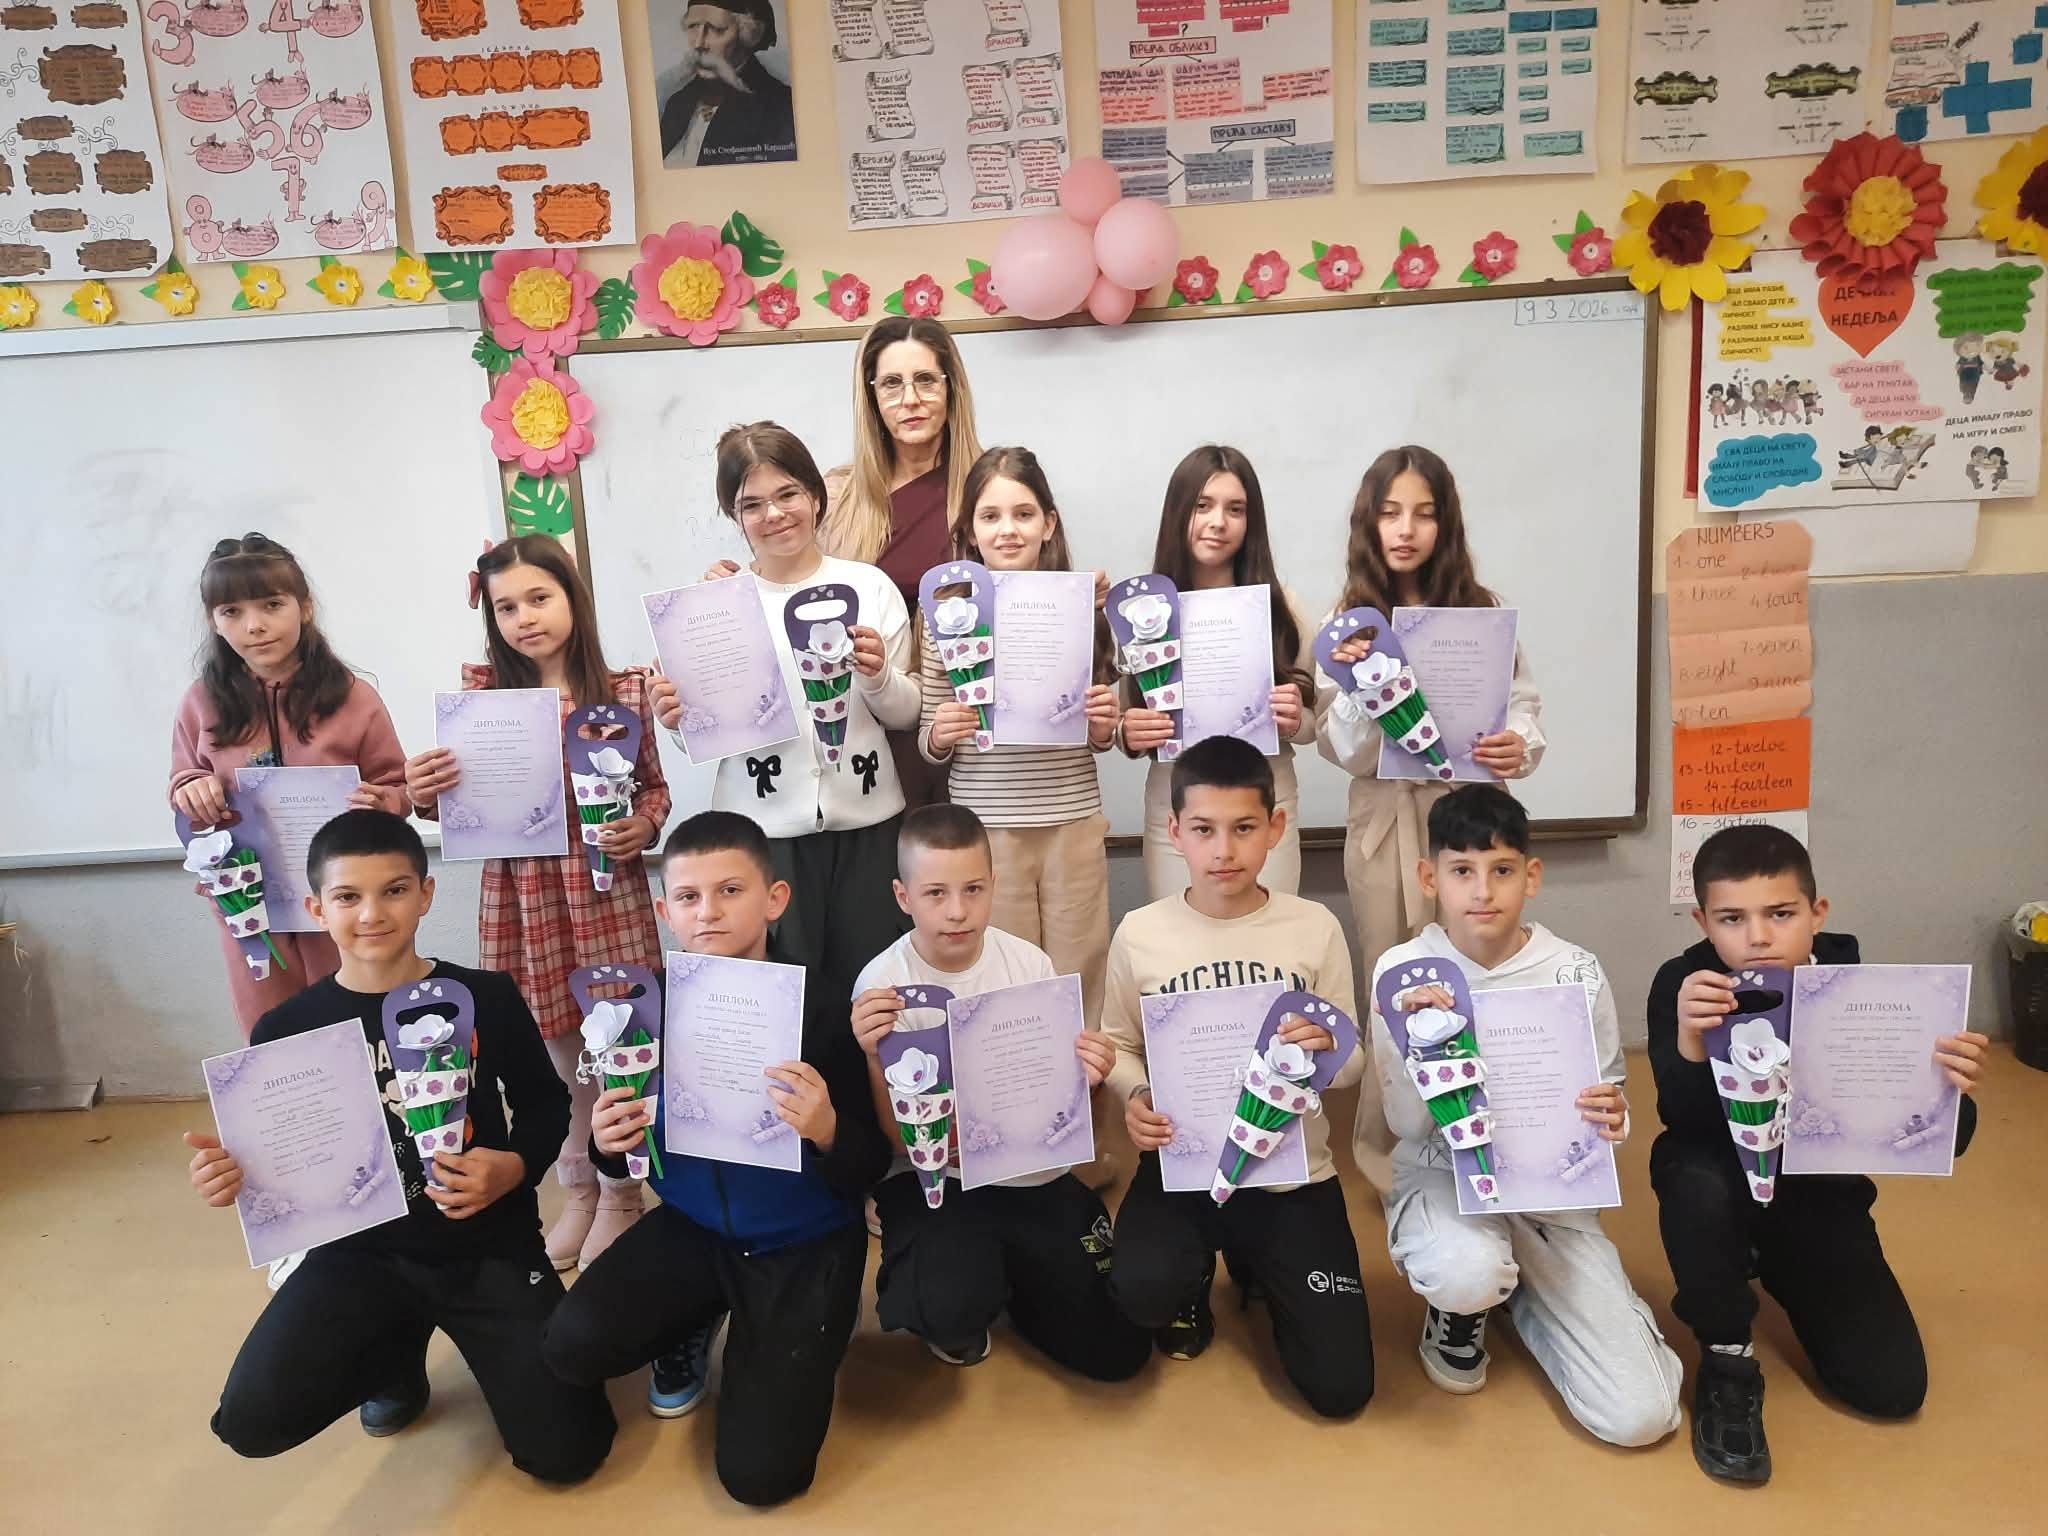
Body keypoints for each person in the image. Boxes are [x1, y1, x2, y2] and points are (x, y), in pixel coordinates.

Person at [185, 810, 615, 1483]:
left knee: (567, 1454)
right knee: (250, 1421)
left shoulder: (485, 995)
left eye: (393, 890)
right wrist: (237, 1175)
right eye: (347, 896)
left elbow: (545, 1103)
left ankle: (426, 1335)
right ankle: (391, 1354)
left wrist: (514, 1167)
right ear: (316, 909)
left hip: (486, 1246)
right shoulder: (287, 1027)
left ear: (425, 894)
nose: (371, 914)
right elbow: (285, 1153)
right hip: (361, 1254)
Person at [540, 811, 890, 1507]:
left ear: (775, 898)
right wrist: (608, 1142)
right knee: (570, 1347)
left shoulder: (823, 1007)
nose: (709, 912)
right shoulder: (642, 1012)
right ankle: (694, 1316)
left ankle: (812, 1317)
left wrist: (827, 1130)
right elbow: (623, 1160)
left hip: (803, 1241)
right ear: (664, 911)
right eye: (689, 897)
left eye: (731, 890)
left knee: (763, 1476)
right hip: (695, 1227)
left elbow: (870, 1164)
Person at [1647, 824, 1989, 1485]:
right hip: (1720, 1179)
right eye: (1732, 918)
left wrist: (1951, 1090)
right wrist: (1691, 1043)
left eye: (1780, 913)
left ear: (1816, 912)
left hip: (1817, 1199)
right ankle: (1727, 1354)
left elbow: (1954, 1139)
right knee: (1690, 1179)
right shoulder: (1687, 984)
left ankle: (1776, 1262)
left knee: (1891, 1389)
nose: (1758, 936)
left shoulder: (1861, 993)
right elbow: (1681, 1120)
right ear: (1703, 922)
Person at [1367, 785, 1681, 1447]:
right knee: (1466, 1273)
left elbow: (1607, 1096)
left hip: (1549, 1196)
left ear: (1531, 876)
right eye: (1461, 870)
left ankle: (1525, 1296)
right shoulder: (1404, 971)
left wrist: (1614, 1115)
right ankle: (1469, 1300)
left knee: (1639, 1418)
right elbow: (1405, 1123)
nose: (1482, 891)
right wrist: (1422, 1048)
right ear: (1429, 878)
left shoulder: (1575, 971)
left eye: (1502, 869)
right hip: (1444, 1174)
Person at [404, 536, 669, 1273]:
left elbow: (652, 788)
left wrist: (644, 825)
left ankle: (622, 1194)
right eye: (506, 607)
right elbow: (455, 804)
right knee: (556, 1051)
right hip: (525, 898)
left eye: (540, 598)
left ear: (573, 599)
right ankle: (577, 1189)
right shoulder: (482, 703)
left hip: (605, 893)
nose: (525, 617)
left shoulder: (624, 692)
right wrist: (424, 794)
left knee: (619, 1044)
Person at [1100, 736, 1373, 1418]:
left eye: (1244, 828)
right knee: (1141, 1293)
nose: (1224, 850)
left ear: (1275, 828)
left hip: (1291, 1174)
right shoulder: (1140, 932)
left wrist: (1327, 1049)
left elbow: (1353, 1064)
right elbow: (1118, 1045)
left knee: (1340, 1389)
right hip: (1184, 1165)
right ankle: (1192, 1278)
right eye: (1203, 830)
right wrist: (1135, 1094)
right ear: (1174, 833)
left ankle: (1261, 1268)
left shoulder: (1313, 926)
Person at [848, 804, 1151, 1377]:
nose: (957, 911)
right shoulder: (883, 984)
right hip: (937, 1180)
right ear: (903, 896)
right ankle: (977, 1282)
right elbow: (899, 1140)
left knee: (1119, 1352)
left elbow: (1070, 1120)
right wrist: (870, 1054)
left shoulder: (1028, 965)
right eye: (935, 893)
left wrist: (1090, 1081)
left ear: (993, 884)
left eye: (973, 889)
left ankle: (1022, 1282)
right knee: (947, 1309)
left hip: (1028, 1173)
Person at [1315, 446, 1543, 1187]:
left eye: (1423, 513)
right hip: (1384, 821)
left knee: (1474, 969)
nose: (1406, 529)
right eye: (1390, 513)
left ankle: (1486, 1135)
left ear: (1446, 523)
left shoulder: (1480, 612)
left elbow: (1523, 712)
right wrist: (1359, 683)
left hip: (1466, 821)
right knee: (1393, 975)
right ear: (1369, 523)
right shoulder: (1347, 621)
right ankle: (1390, 1154)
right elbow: (1342, 749)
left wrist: (1518, 745)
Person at [652, 422, 918, 1007]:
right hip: (761, 837)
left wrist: (878, 676)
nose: (773, 514)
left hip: (869, 827)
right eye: (752, 504)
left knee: (873, 996)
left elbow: (905, 715)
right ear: (734, 515)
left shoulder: (868, 587)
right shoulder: (712, 609)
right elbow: (705, 737)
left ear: (815, 496)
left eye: (788, 493)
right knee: (776, 1003)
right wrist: (674, 723)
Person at [169, 534, 408, 1036]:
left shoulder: (354, 697)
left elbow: (397, 786)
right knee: (273, 1036)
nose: (254, 625)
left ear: (305, 607)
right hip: (250, 904)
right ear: (213, 621)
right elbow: (183, 783)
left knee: (359, 1026)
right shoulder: (200, 702)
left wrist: (384, 801)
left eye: (272, 605)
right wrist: (192, 787)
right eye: (231, 611)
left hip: (344, 899)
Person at [920, 447, 1119, 1023]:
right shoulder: (946, 615)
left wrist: (1103, 724)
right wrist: (940, 734)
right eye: (990, 516)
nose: (1008, 529)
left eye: (1024, 514)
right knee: (1002, 979)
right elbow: (928, 733)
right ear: (969, 530)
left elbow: (1100, 732)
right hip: (987, 825)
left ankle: (1082, 1079)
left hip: (1071, 818)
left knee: (1081, 975)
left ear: (1048, 524)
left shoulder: (1082, 607)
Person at [1123, 445, 1316, 900]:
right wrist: (1127, 734)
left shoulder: (1281, 607)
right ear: (1178, 512)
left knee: (1269, 934)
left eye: (1235, 509)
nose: (1218, 522)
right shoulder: (1142, 611)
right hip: (1177, 804)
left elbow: (1312, 724)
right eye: (1202, 506)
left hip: (1264, 801)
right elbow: (1123, 718)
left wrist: (1294, 720)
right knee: (1180, 936)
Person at [821, 316, 987, 809]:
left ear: (951, 389)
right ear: (871, 396)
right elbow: (795, 587)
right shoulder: (837, 497)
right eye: (891, 383)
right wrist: (735, 580)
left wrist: (1081, 597)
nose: (910, 399)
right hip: (866, 731)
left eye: (926, 380)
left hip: (969, 728)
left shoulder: (990, 490)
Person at [659, 1, 796, 168]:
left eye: (716, 29)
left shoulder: (781, 107)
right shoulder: (677, 103)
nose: (698, 43)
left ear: (747, 35)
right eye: (693, 26)